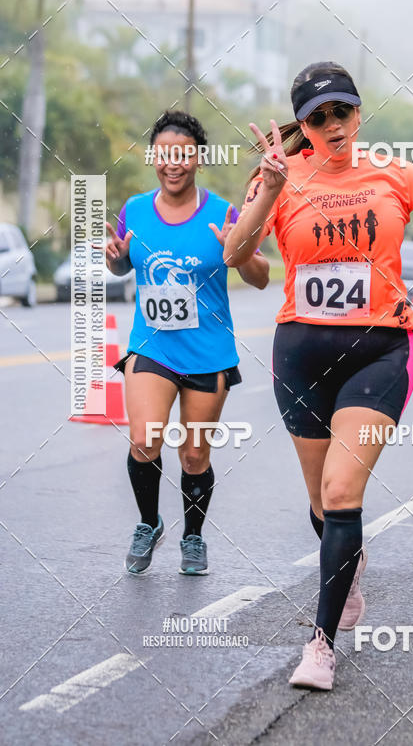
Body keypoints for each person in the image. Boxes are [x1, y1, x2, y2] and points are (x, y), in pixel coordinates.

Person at [224, 61, 413, 690]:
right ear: (302, 124)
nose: (332, 125)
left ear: (358, 112)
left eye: (341, 111)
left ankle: (320, 645)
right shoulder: (281, 179)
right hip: (300, 354)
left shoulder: (394, 174)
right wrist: (265, 188)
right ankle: (349, 557)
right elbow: (237, 256)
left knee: (344, 494)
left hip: (380, 349)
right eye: (317, 117)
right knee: (323, 504)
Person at [104, 110, 269, 575]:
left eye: (182, 154)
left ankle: (193, 537)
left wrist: (238, 252)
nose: (172, 163)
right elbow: (124, 265)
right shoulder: (134, 210)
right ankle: (148, 522)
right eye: (163, 154)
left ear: (198, 158)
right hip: (152, 345)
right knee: (143, 438)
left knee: (195, 453)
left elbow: (261, 276)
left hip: (208, 351)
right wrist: (117, 262)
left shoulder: (223, 213)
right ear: (153, 157)